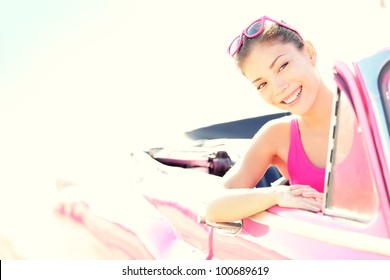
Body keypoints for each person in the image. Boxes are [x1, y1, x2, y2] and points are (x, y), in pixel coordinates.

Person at [206, 15, 331, 223]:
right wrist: (277, 195)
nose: (278, 88)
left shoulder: (370, 107)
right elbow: (215, 206)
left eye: (282, 66)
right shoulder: (277, 136)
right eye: (262, 84)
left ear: (309, 53)